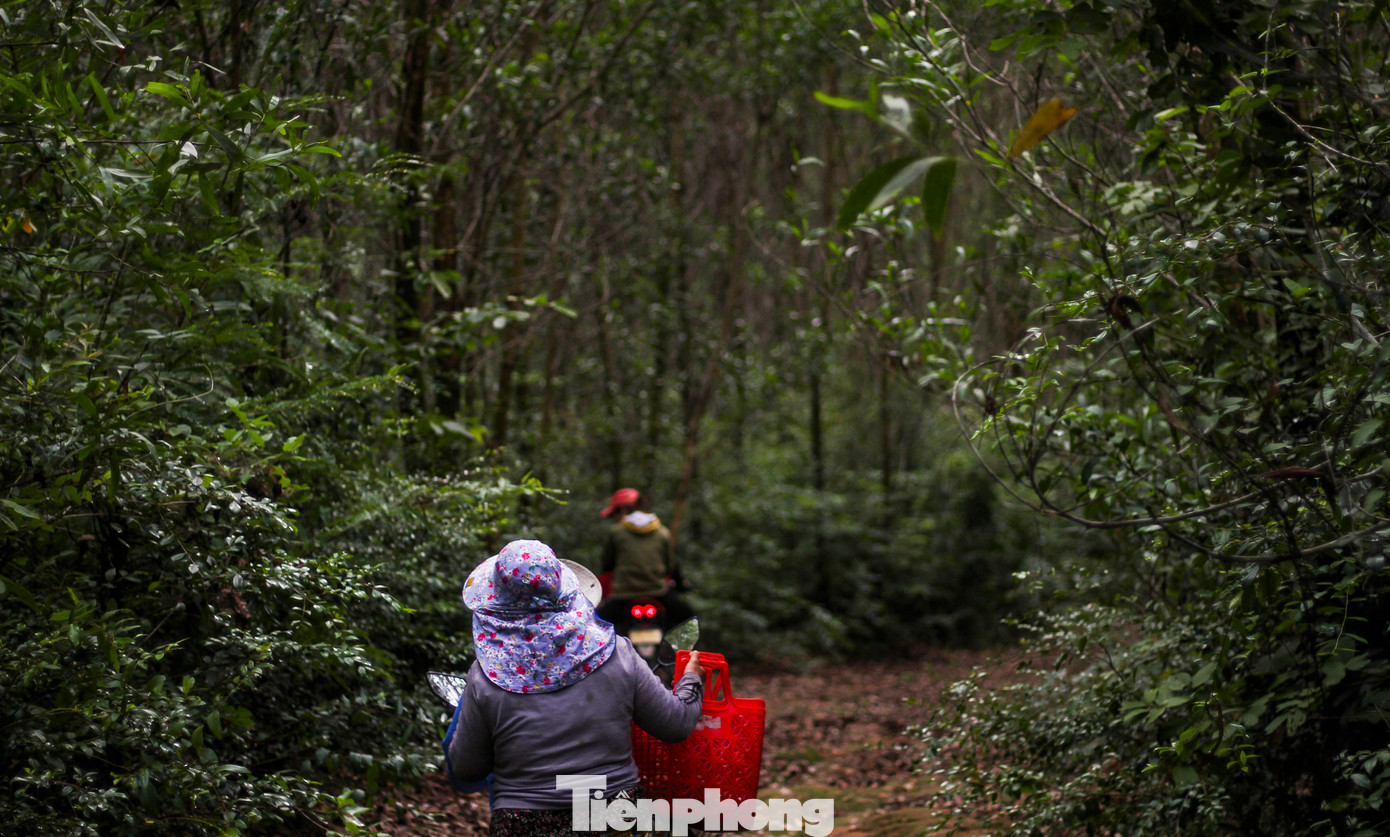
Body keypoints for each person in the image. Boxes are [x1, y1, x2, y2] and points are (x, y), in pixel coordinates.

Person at [444, 539, 704, 837]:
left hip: (523, 823)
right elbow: (675, 724)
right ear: (562, 588)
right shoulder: (618, 653)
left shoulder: (485, 676)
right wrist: (690, 679)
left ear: (498, 598)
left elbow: (466, 769)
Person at [596, 489, 694, 628]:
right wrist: (681, 584)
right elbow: (670, 565)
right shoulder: (662, 532)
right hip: (658, 592)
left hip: (623, 594)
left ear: (623, 510)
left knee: (597, 624)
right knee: (688, 618)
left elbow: (608, 564)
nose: (615, 518)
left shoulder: (616, 532)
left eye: (615, 513)